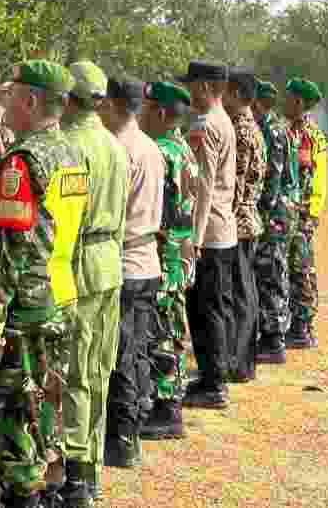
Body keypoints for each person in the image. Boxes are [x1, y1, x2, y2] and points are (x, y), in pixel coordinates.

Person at [0, 59, 88, 508]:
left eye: (10, 96)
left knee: (9, 411)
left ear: (32, 101)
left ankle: (24, 497)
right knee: (45, 405)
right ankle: (48, 488)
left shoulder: (25, 161)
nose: (2, 104)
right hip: (58, 296)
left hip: (22, 309)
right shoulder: (73, 153)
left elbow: (12, 247)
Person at [59, 60, 127, 506]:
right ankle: (91, 469)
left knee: (74, 372)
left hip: (79, 264)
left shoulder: (69, 147)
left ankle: (77, 474)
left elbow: (64, 225)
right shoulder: (114, 146)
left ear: (68, 99)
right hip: (110, 262)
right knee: (99, 370)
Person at [100, 75, 164, 469]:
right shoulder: (150, 147)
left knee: (121, 354)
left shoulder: (119, 151)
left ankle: (122, 440)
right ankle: (133, 426)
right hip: (147, 261)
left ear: (114, 105)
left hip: (125, 260)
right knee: (137, 349)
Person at [138, 81, 198, 442]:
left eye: (146, 109)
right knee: (172, 324)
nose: (141, 114)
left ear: (160, 112)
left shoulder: (160, 152)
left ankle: (166, 408)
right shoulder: (183, 149)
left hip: (164, 253)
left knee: (162, 330)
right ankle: (167, 401)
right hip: (181, 249)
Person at [179, 60, 238, 409]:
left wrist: (195, 238)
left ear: (203, 86)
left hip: (209, 231)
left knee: (205, 310)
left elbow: (202, 186)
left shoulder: (205, 125)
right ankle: (212, 376)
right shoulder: (224, 121)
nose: (188, 93)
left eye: (190, 86)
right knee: (214, 307)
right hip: (222, 227)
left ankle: (214, 384)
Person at [223, 67, 266, 382]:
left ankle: (239, 362)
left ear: (236, 94)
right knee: (246, 291)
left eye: (225, 92)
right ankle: (243, 360)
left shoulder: (241, 130)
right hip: (248, 221)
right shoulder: (251, 127)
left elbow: (235, 186)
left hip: (238, 222)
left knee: (240, 294)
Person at [253, 80, 297, 363]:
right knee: (271, 271)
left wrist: (263, 212)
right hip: (278, 210)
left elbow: (274, 177)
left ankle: (273, 340)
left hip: (276, 213)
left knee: (271, 272)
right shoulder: (273, 127)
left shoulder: (273, 131)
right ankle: (271, 335)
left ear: (259, 103)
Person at [284, 78, 326, 349]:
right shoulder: (290, 131)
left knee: (301, 267)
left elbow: (318, 178)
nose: (284, 102)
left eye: (288, 98)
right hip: (292, 212)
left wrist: (311, 214)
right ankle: (296, 322)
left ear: (298, 101)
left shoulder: (310, 136)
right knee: (292, 266)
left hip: (302, 213)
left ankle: (303, 326)